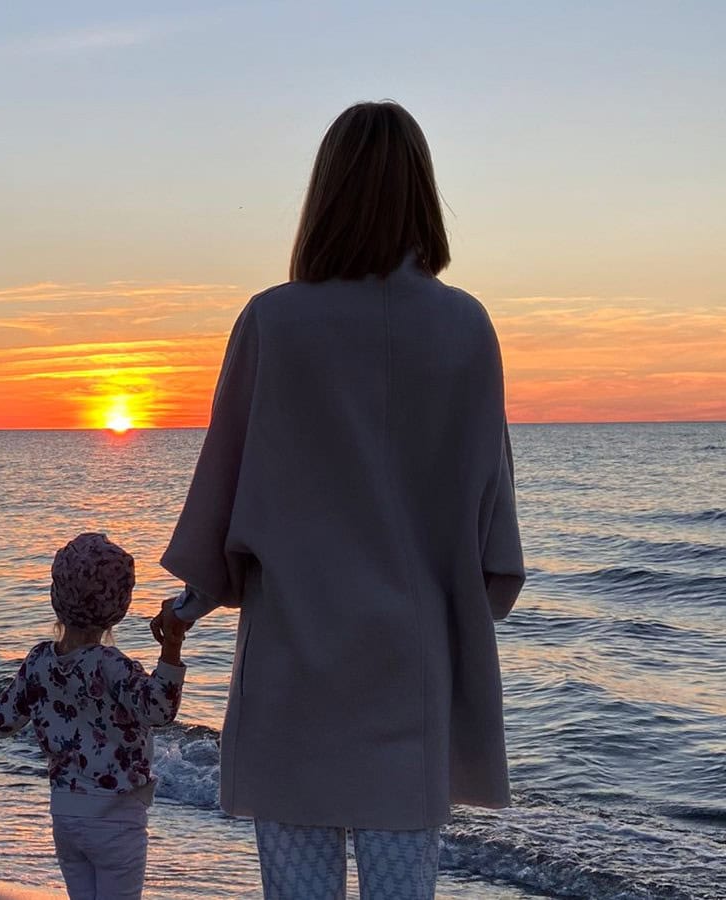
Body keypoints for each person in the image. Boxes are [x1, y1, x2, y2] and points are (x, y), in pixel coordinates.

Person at [150, 101, 525, 900]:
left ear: (325, 194)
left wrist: (193, 603)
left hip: (294, 669)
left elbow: (218, 515)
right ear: (423, 193)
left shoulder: (272, 322)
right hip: (409, 670)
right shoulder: (467, 329)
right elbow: (495, 551)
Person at [0, 532, 185, 900]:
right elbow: (159, 710)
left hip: (67, 815)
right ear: (119, 605)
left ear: (58, 597)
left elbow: (0, 720)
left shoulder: (40, 661)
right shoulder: (111, 665)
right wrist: (172, 645)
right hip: (117, 817)